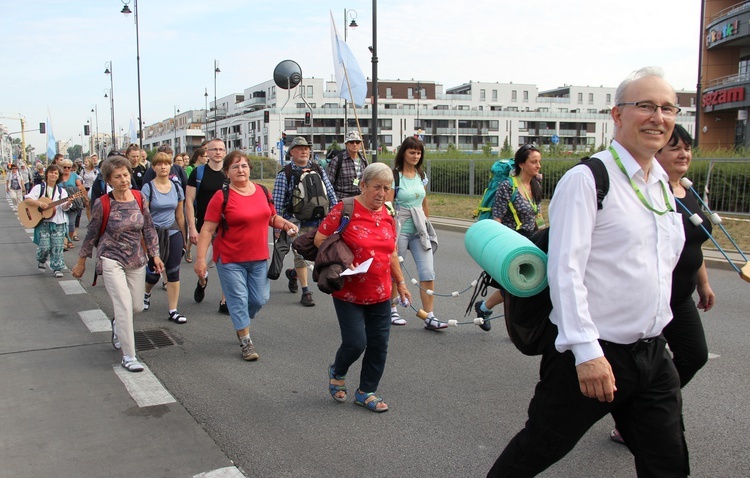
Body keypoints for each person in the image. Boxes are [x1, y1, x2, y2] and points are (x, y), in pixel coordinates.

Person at [486, 67, 688, 477]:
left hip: (652, 354)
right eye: (645, 106)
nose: (658, 117)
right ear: (617, 115)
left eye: (668, 108)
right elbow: (566, 270)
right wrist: (587, 352)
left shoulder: (660, 185)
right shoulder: (589, 179)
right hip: (596, 354)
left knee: (669, 464)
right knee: (537, 450)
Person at [609, 124, 716, 445]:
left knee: (694, 355)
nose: (683, 154)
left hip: (680, 296)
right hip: (651, 295)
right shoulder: (650, 191)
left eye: (687, 147)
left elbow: (694, 243)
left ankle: (639, 407)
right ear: (657, 152)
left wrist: (704, 284)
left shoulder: (687, 189)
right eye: (675, 148)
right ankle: (637, 417)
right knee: (638, 366)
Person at [315, 162, 411, 412]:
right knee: (356, 343)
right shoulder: (345, 209)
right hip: (348, 290)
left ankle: (366, 391)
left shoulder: (388, 215)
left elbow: (391, 253)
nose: (381, 193)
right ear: (363, 185)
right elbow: (320, 239)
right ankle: (338, 371)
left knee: (379, 345)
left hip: (380, 292)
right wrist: (345, 258)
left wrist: (400, 283)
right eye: (376, 187)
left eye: (387, 188)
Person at [194, 151, 297, 360]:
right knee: (239, 299)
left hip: (258, 257)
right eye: (235, 167)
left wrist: (285, 224)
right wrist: (200, 259)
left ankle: (241, 321)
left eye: (244, 166)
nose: (241, 170)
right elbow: (207, 229)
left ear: (249, 168)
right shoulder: (221, 196)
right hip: (230, 258)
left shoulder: (261, 191)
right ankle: (245, 341)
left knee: (259, 299)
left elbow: (271, 217)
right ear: (227, 173)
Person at [72, 156, 164, 373]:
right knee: (123, 305)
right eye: (118, 177)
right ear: (109, 180)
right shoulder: (102, 203)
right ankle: (129, 356)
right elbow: (91, 234)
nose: (124, 180)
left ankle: (117, 325)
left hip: (136, 259)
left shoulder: (140, 198)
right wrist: (81, 261)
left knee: (136, 307)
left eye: (126, 175)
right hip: (111, 258)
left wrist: (155, 255)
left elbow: (148, 229)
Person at [475, 144, 544, 332]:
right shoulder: (508, 185)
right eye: (533, 162)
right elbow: (497, 216)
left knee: (528, 284)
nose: (538, 166)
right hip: (510, 240)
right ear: (521, 164)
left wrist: (543, 238)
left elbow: (537, 215)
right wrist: (494, 245)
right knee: (515, 286)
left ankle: (485, 308)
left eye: (539, 162)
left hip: (530, 240)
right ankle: (511, 323)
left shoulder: (536, 183)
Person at [386, 137, 446, 330]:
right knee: (395, 272)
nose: (415, 156)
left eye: (418, 153)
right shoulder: (395, 176)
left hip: (419, 228)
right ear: (403, 153)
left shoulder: (421, 174)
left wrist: (427, 224)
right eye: (412, 152)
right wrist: (388, 234)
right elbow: (388, 206)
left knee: (428, 271)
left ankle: (430, 315)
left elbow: (424, 200)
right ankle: (391, 309)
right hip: (400, 227)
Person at [272, 136, 338, 307]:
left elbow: (330, 193)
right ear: (291, 152)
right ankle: (306, 291)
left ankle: (293, 274)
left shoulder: (317, 169)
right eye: (299, 148)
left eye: (306, 148)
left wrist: (336, 216)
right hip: (296, 222)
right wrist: (279, 228)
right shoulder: (284, 174)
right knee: (300, 256)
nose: (304, 151)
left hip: (319, 221)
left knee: (316, 255)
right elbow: (278, 204)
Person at [141, 152, 188, 324]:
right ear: (153, 167)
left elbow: (180, 216)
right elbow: (143, 217)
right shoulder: (148, 188)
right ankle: (146, 294)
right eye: (159, 164)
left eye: (166, 164)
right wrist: (144, 242)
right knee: (154, 274)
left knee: (174, 271)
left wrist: (185, 239)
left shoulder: (177, 188)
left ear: (171, 167)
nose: (163, 167)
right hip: (153, 234)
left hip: (173, 232)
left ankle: (173, 310)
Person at [186, 138, 228, 312]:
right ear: (207, 153)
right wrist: (192, 228)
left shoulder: (229, 174)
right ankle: (202, 282)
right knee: (203, 265)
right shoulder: (198, 173)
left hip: (226, 228)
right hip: (205, 227)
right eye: (214, 149)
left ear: (225, 152)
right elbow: (189, 201)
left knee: (227, 265)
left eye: (221, 149)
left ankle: (225, 301)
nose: (218, 152)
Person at [25, 164, 74, 278]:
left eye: (56, 173)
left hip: (58, 221)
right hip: (43, 222)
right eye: (51, 172)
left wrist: (68, 203)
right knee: (44, 247)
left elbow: (64, 208)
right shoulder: (39, 188)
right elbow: (28, 199)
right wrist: (39, 203)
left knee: (57, 246)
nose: (53, 174)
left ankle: (57, 268)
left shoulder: (62, 192)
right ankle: (42, 259)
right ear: (47, 174)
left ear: (58, 176)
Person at [326, 130, 368, 199]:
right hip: (342, 200)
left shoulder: (364, 161)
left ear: (360, 144)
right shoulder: (337, 160)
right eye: (351, 142)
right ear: (346, 144)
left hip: (360, 200)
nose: (355, 144)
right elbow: (329, 184)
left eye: (357, 142)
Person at [59, 159, 88, 246]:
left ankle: (69, 240)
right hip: (60, 202)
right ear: (61, 167)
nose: (67, 169)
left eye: (69, 167)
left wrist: (72, 190)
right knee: (63, 223)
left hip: (73, 202)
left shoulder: (74, 176)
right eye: (65, 167)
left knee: (71, 223)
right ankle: (63, 241)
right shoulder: (58, 176)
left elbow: (81, 187)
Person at [80, 156, 99, 221]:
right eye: (84, 162)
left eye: (86, 162)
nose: (85, 163)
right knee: (87, 205)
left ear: (90, 162)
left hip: (93, 188)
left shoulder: (95, 171)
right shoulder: (83, 171)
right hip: (86, 189)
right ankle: (89, 220)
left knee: (94, 205)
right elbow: (80, 180)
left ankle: (94, 219)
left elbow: (98, 179)